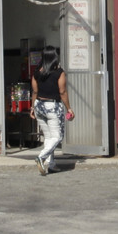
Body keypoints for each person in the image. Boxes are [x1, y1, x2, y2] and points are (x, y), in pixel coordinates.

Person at [31, 47, 68, 175]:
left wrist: (32, 107)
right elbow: (62, 91)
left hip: (39, 105)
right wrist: (69, 108)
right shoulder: (59, 72)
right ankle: (41, 157)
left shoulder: (36, 72)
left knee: (48, 137)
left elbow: (35, 91)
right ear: (55, 57)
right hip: (52, 107)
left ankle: (51, 164)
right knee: (57, 137)